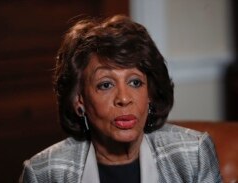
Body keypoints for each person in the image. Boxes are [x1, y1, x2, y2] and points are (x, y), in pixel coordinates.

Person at [19, 15, 222, 183]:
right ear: (79, 100)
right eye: (105, 85)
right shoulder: (44, 173)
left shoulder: (193, 155)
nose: (124, 99)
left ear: (150, 93)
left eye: (135, 82)